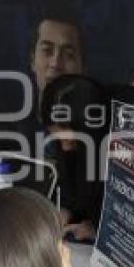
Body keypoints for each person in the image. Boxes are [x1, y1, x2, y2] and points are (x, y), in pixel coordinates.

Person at [40, 74, 109, 241]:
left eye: (71, 142)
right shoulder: (59, 145)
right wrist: (64, 212)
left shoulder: (120, 144)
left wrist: (99, 230)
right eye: (59, 139)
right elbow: (71, 194)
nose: (64, 147)